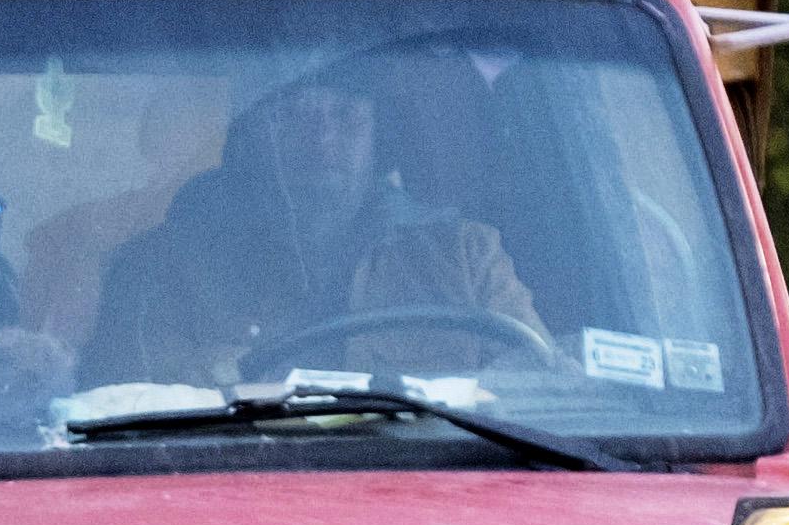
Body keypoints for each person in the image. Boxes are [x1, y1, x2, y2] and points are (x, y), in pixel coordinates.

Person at [79, 61, 548, 391]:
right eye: (292, 115)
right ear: (253, 136)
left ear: (380, 137)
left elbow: (547, 396)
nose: (321, 140)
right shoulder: (163, 267)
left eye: (346, 115)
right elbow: (116, 416)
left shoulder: (467, 258)